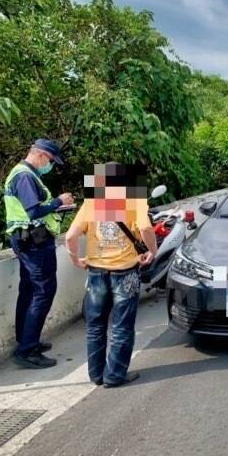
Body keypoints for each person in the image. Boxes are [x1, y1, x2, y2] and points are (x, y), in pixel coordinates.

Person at [64, 163, 157, 387]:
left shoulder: (91, 203)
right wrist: (152, 251)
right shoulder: (134, 201)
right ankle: (114, 375)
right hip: (125, 272)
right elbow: (145, 229)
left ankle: (96, 375)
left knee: (95, 325)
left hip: (96, 271)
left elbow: (70, 237)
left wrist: (75, 259)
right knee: (121, 325)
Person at [4, 138, 74, 369]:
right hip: (34, 241)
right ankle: (27, 351)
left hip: (27, 239)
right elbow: (33, 210)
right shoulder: (25, 175)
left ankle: (26, 340)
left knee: (29, 290)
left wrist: (56, 206)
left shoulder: (23, 173)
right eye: (51, 161)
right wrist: (58, 201)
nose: (51, 166)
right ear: (42, 156)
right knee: (43, 291)